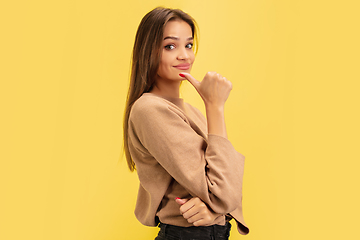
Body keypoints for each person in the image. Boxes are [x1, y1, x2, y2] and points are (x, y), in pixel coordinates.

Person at [123, 7, 249, 239]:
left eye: (189, 45)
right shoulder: (149, 110)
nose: (185, 55)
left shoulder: (189, 110)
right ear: (148, 51)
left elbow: (227, 187)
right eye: (170, 46)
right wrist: (215, 107)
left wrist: (213, 210)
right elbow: (224, 194)